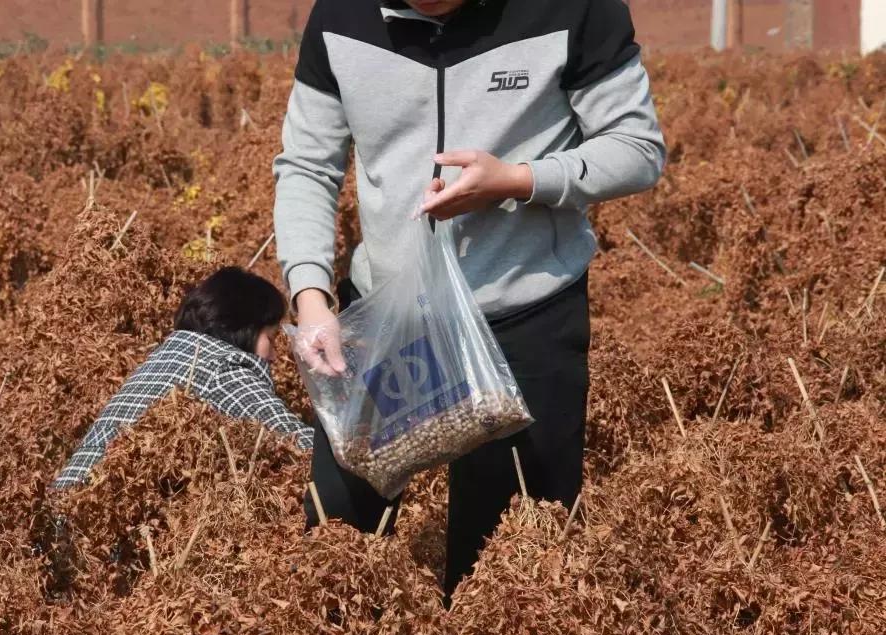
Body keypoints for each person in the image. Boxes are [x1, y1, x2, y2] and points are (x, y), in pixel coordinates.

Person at [273, 0, 665, 601]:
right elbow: (306, 165)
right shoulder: (340, 15)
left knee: (510, 570)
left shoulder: (573, 7)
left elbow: (637, 148)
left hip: (525, 317)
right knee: (339, 544)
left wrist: (518, 179)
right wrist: (310, 295)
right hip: (386, 319)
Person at [51, 266, 313, 490]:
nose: (275, 355)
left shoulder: (168, 356)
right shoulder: (222, 369)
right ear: (244, 329)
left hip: (65, 519)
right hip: (103, 535)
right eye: (271, 338)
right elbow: (295, 442)